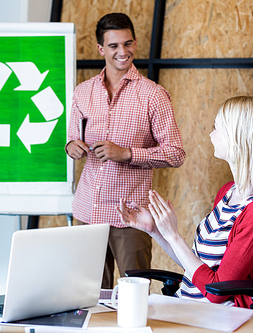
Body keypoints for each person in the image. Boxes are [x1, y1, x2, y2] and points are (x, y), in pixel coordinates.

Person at [117, 95, 253, 308]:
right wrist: (155, 231)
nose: (210, 134)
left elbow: (217, 292)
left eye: (217, 127)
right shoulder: (228, 192)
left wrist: (173, 235)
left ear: (238, 137)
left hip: (219, 317)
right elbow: (198, 269)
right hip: (188, 307)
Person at [65, 13, 186, 288]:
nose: (123, 52)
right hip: (87, 213)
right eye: (114, 46)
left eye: (128, 44)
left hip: (130, 216)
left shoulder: (153, 95)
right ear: (100, 49)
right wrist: (71, 147)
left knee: (135, 299)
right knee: (88, 297)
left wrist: (128, 153)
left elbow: (176, 152)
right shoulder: (82, 92)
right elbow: (73, 138)